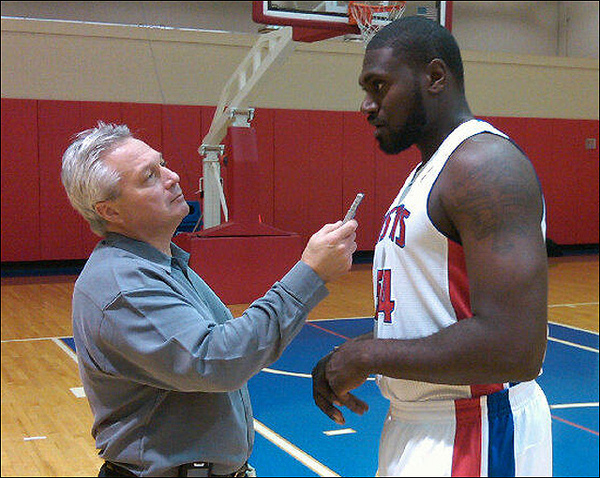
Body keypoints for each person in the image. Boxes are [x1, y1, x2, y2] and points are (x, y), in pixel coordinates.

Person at [312, 16, 552, 477]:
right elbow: (434, 315)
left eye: (379, 86)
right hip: (421, 424)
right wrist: (360, 350)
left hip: (477, 429)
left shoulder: (484, 164)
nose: (367, 104)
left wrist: (367, 355)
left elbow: (516, 347)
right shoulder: (430, 170)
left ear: (435, 77)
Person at [61, 121, 358, 477]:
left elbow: (233, 347)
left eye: (163, 164)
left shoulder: (165, 263)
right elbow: (218, 360)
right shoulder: (124, 285)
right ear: (109, 211)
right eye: (149, 176)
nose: (172, 177)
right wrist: (311, 273)